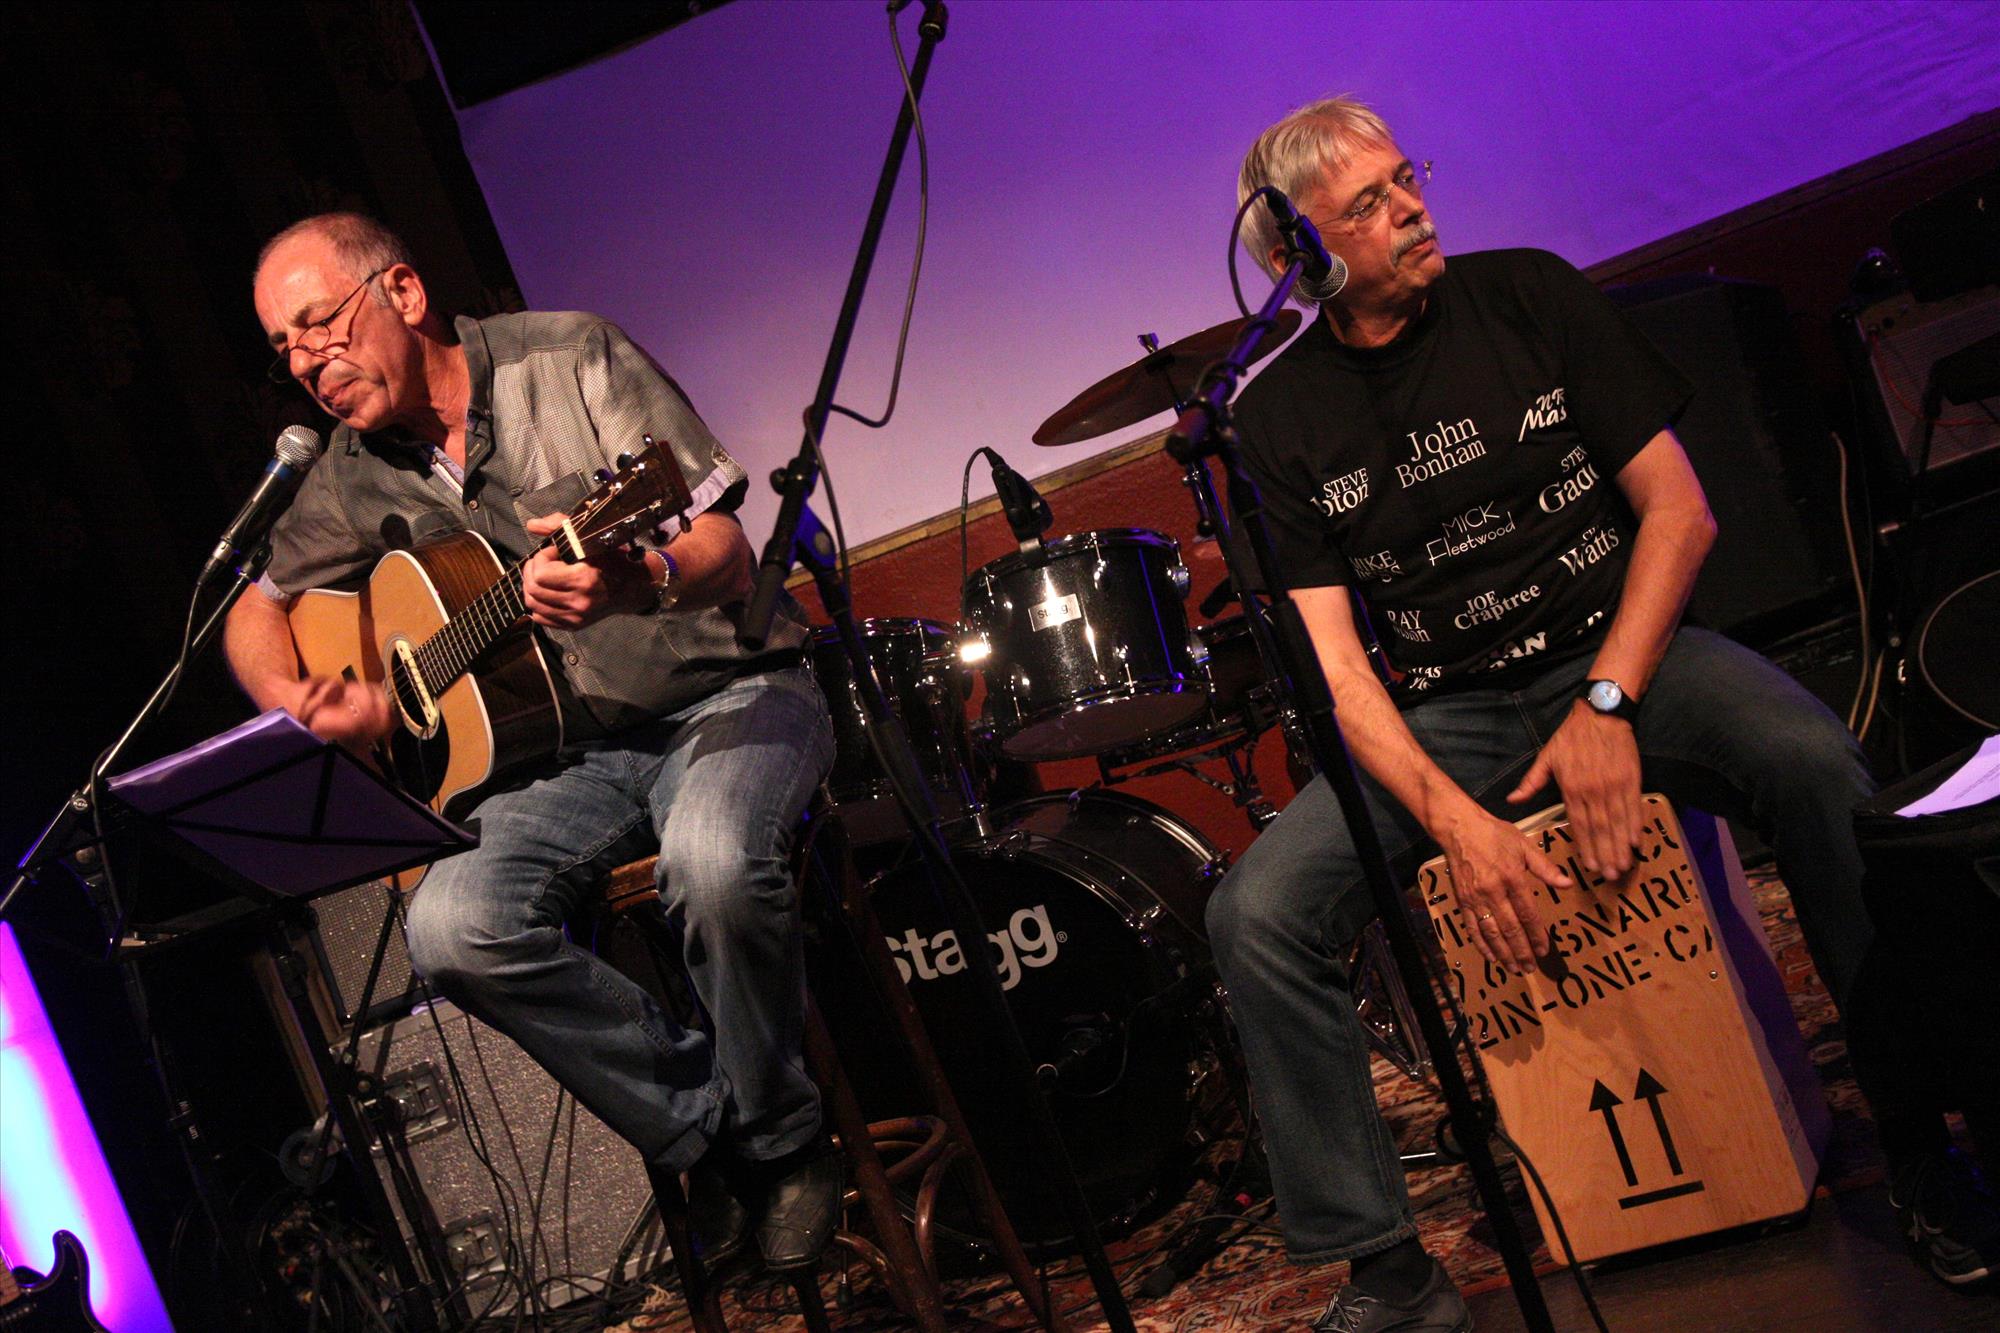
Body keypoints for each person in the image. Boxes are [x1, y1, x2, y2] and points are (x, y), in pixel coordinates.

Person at [1204, 97, 1993, 1331]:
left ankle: (1921, 1145)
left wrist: (1607, 701)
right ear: (1293, 252)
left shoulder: (1528, 294)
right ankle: (1386, 1269)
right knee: (1254, 912)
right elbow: (1340, 673)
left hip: (1622, 650)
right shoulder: (1273, 414)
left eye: (1405, 176)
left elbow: (1678, 512)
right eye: (1368, 202)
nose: (1410, 206)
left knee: (1810, 763)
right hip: (1450, 710)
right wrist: (1456, 824)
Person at [225, 212, 840, 1276]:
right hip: (563, 761)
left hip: (726, 691)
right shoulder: (348, 470)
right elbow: (254, 601)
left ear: (403, 293)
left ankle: (781, 1142)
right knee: (450, 926)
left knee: (712, 865)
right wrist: (302, 698)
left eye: (320, 325)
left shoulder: (572, 357)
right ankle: (703, 1128)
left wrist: (638, 578)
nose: (310, 364)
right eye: (286, 349)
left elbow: (727, 551)